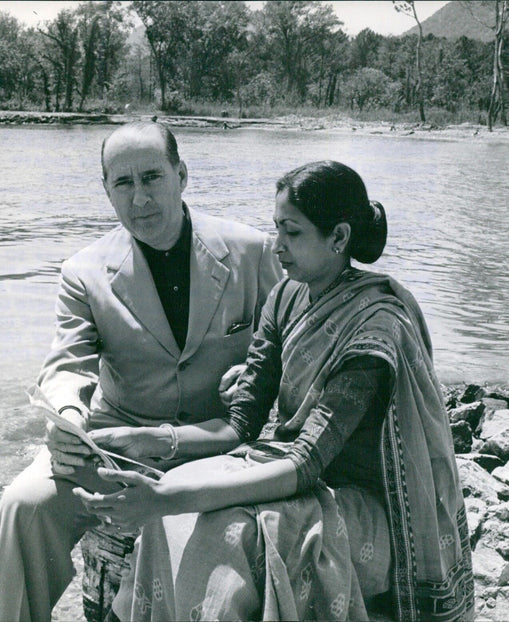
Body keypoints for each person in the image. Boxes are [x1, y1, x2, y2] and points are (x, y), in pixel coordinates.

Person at [80, 160, 475, 621]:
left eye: (291, 233)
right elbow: (241, 424)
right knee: (173, 495)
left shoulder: (375, 327)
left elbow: (307, 461)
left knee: (228, 532)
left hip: (363, 509)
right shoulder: (286, 297)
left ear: (339, 237)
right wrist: (156, 440)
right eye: (275, 229)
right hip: (291, 474)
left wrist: (166, 498)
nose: (276, 246)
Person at [0, 121, 281, 622]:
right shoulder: (84, 270)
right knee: (23, 505)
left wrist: (257, 373)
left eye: (151, 177)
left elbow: (292, 346)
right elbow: (66, 364)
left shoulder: (253, 252)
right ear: (106, 191)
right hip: (115, 447)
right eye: (123, 183)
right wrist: (70, 418)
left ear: (181, 175)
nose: (139, 197)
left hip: (220, 446)